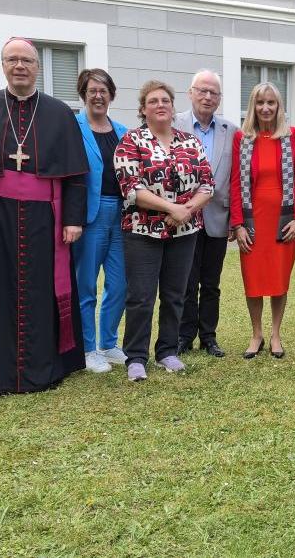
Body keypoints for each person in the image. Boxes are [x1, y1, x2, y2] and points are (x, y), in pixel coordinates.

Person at [0, 37, 89, 394]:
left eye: (27, 60)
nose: (20, 66)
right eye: (12, 59)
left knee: (42, 287)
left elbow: (76, 175)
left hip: (45, 216)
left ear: (37, 67)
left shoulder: (60, 113)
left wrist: (73, 220)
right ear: (2, 65)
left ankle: (44, 368)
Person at [114, 80, 214, 381]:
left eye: (165, 101)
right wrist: (172, 209)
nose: (160, 105)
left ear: (173, 107)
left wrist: (185, 211)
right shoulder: (131, 142)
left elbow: (207, 184)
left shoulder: (190, 142)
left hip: (184, 231)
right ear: (143, 109)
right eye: (153, 101)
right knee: (141, 296)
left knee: (175, 295)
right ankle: (136, 357)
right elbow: (131, 189)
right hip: (143, 231)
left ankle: (168, 351)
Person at [230, 82, 295, 358]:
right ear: (253, 106)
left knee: (277, 279)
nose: (265, 108)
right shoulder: (243, 138)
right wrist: (238, 224)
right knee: (253, 280)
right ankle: (256, 335)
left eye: (271, 102)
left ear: (279, 106)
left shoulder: (292, 136)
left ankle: (275, 335)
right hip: (253, 220)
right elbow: (235, 184)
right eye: (260, 102)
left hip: (283, 220)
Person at [175, 70, 238, 358]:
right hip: (183, 216)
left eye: (213, 92)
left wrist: (235, 221)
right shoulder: (174, 124)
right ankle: (183, 335)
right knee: (185, 281)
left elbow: (235, 178)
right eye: (202, 90)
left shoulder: (231, 130)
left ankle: (208, 337)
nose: (207, 96)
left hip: (216, 219)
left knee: (211, 283)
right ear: (191, 92)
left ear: (219, 98)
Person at [73, 68, 129, 373]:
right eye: (93, 90)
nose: (98, 96)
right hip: (89, 215)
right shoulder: (74, 126)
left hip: (121, 213)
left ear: (111, 95)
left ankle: (108, 343)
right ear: (84, 93)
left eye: (104, 90)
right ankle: (87, 348)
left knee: (119, 284)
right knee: (86, 285)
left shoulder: (122, 130)